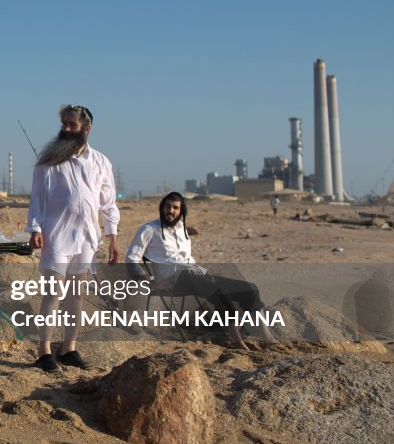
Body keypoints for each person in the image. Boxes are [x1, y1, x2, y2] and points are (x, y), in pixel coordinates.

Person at [27, 104, 120, 371]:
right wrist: (35, 229)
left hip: (87, 239)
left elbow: (108, 203)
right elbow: (38, 200)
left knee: (76, 296)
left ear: (86, 129)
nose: (66, 129)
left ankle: (69, 348)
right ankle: (44, 351)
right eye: (64, 124)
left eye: (72, 125)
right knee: (53, 293)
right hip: (56, 235)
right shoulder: (48, 162)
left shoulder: (101, 162)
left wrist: (113, 237)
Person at [125, 191, 275, 350]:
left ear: (181, 211)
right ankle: (238, 341)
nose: (171, 210)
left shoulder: (183, 231)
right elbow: (131, 258)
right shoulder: (149, 229)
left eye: (175, 207)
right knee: (220, 291)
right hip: (173, 281)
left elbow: (187, 260)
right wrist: (148, 281)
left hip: (196, 274)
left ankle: (267, 337)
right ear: (162, 208)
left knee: (249, 288)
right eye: (167, 206)